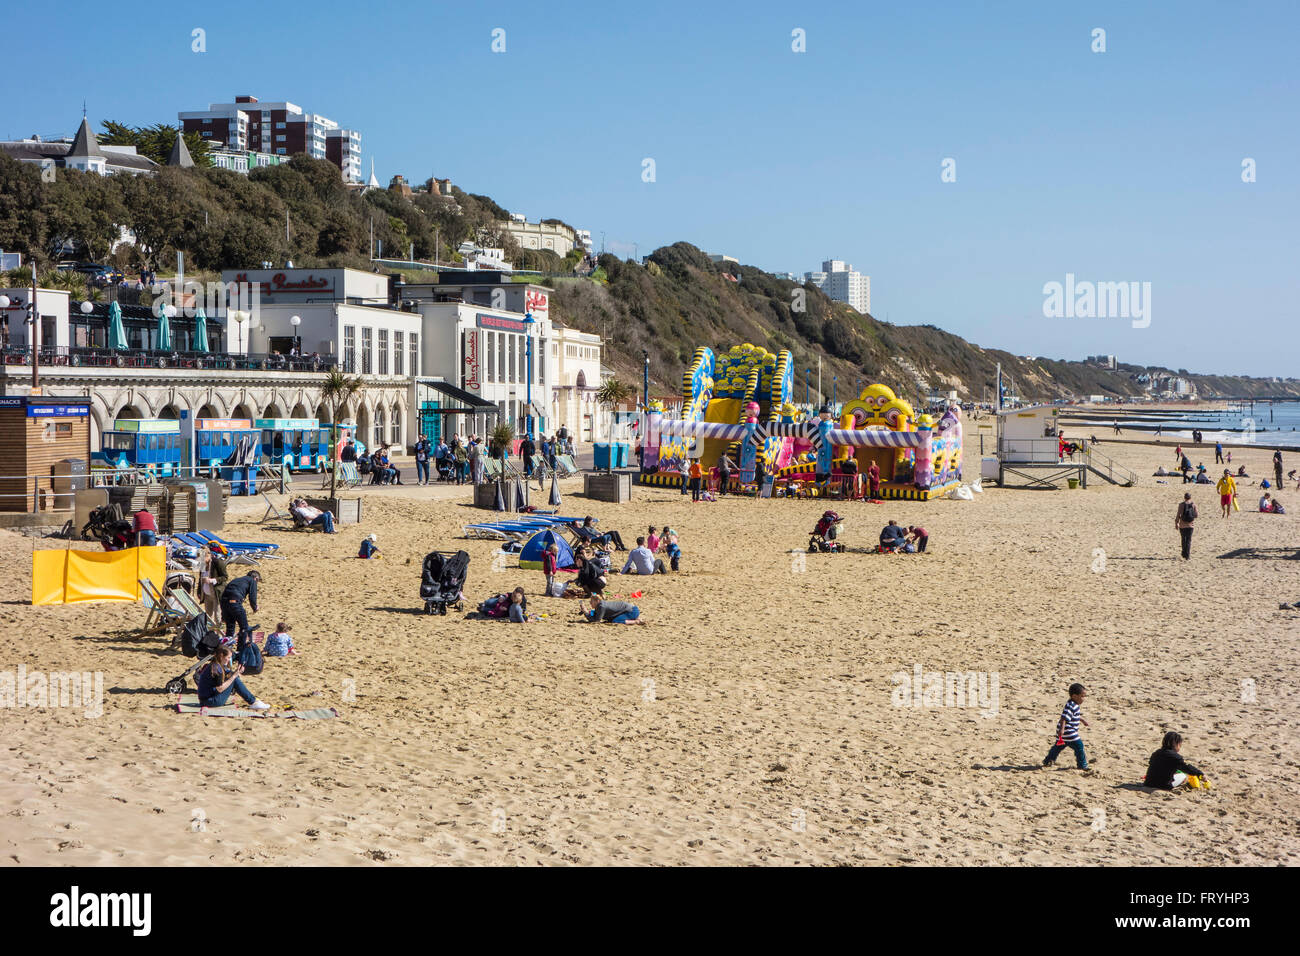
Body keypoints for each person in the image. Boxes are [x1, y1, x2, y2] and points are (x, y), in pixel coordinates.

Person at [195, 644, 270, 710]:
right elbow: (220, 689)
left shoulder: (215, 664)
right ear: (221, 656)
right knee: (234, 679)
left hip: (206, 699)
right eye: (228, 657)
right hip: (209, 701)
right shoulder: (216, 669)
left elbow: (226, 676)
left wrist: (236, 672)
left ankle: (253, 701)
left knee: (233, 677)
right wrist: (234, 676)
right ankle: (253, 701)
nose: (229, 660)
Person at [1042, 683, 1089, 770]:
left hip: (1065, 733)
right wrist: (1062, 730)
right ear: (1075, 696)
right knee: (1079, 746)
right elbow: (1064, 718)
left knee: (1058, 746)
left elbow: (1074, 715)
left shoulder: (1073, 704)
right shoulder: (1071, 705)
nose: (1084, 699)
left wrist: (1082, 720)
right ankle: (1082, 765)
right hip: (1069, 732)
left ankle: (1048, 760)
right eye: (1082, 696)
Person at [219, 570, 260, 646]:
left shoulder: (237, 580)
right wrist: (255, 607)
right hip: (234, 602)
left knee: (230, 627)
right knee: (244, 628)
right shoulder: (252, 581)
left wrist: (223, 615)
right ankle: (240, 649)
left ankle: (227, 649)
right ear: (255, 578)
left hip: (224, 603)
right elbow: (252, 596)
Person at [200, 546, 229, 620]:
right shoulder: (202, 564)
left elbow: (225, 577)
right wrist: (199, 592)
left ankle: (219, 631)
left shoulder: (217, 562)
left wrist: (212, 580)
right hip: (206, 594)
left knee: (217, 615)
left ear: (208, 555)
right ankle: (210, 631)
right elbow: (200, 579)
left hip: (216, 593)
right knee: (208, 616)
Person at [1174, 492, 1197, 560]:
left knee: (1183, 539)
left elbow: (1178, 515)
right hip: (1191, 525)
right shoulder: (1193, 505)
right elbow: (1196, 515)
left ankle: (1184, 553)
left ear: (1184, 497)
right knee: (1189, 540)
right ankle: (1187, 555)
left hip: (1182, 525)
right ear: (1190, 497)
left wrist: (1176, 523)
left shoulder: (1181, 505)